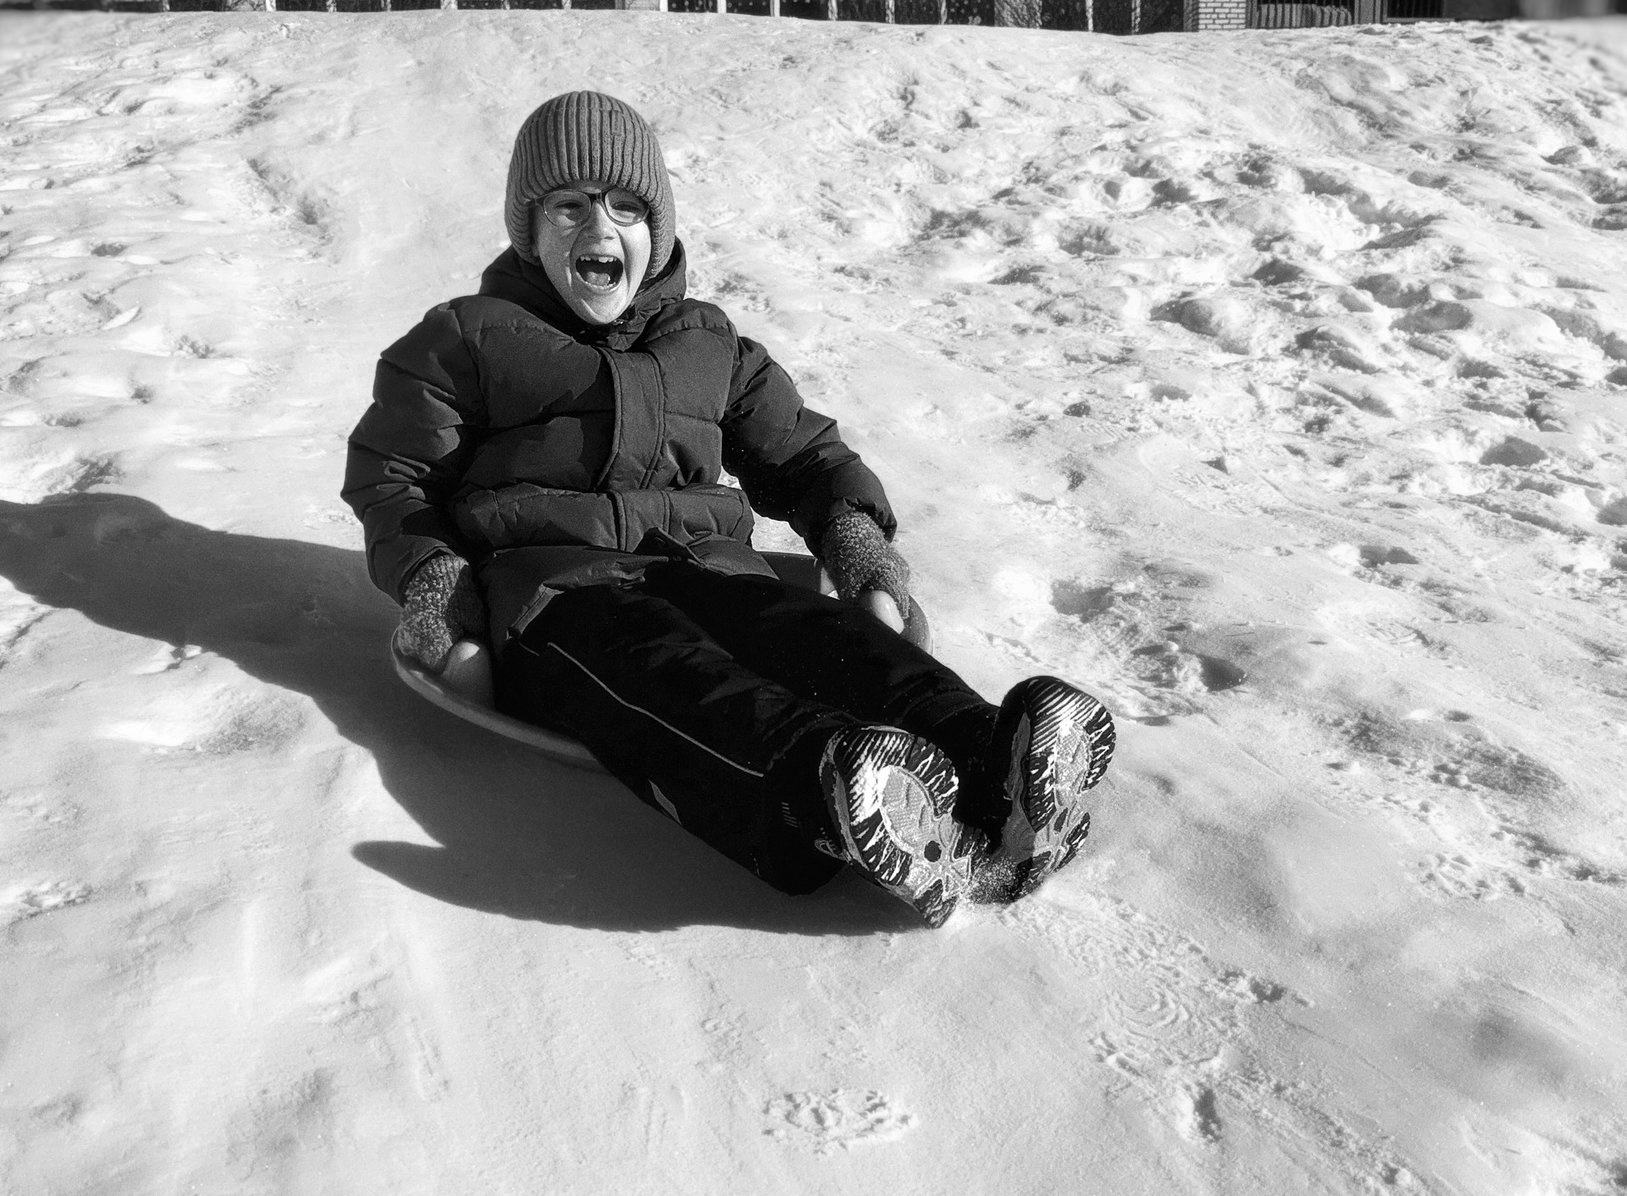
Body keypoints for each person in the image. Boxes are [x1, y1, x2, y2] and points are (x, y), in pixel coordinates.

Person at [342, 91, 1115, 927]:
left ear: (660, 229)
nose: (599, 231)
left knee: (820, 635)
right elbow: (393, 477)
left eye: (627, 207)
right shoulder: (467, 338)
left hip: (712, 568)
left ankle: (993, 760)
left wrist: (854, 539)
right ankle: (827, 792)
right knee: (672, 676)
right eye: (568, 208)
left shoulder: (708, 344)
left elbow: (805, 456)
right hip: (556, 595)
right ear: (527, 230)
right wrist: (438, 582)